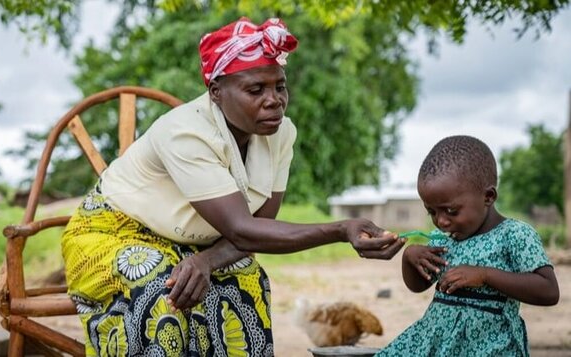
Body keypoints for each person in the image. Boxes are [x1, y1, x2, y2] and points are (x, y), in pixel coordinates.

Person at [61, 17, 405, 356]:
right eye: (256, 89)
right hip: (111, 233)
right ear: (216, 93)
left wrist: (207, 261)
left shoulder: (281, 134)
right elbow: (245, 230)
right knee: (161, 286)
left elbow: (260, 228)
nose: (274, 101)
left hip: (190, 245)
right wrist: (343, 229)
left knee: (246, 277)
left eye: (279, 86)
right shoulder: (186, 132)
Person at [376, 135, 559, 356]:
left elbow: (548, 290)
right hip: (436, 342)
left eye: (451, 211)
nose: (441, 221)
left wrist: (485, 275)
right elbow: (418, 286)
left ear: (488, 197)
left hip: (488, 347)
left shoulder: (515, 235)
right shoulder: (444, 239)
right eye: (431, 211)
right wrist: (409, 258)